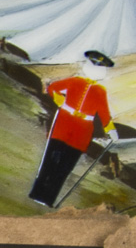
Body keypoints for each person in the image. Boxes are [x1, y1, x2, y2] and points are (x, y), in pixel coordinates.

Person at [30, 50, 117, 206]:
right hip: (63, 125)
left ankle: (48, 198)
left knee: (65, 167)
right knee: (49, 160)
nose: (97, 68)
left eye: (100, 66)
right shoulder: (75, 81)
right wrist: (60, 102)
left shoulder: (100, 92)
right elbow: (52, 88)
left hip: (81, 132)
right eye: (94, 64)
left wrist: (111, 130)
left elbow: (104, 114)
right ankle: (37, 193)